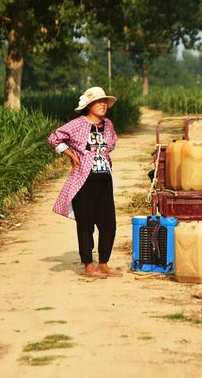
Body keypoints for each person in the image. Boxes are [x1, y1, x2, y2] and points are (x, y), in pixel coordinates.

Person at [47, 86, 123, 279]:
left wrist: (100, 154)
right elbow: (54, 138)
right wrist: (71, 154)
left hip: (105, 179)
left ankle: (104, 263)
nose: (103, 105)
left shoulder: (108, 125)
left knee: (108, 223)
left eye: (104, 102)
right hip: (84, 180)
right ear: (88, 106)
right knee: (86, 223)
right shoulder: (78, 124)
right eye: (98, 102)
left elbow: (112, 144)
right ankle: (89, 266)